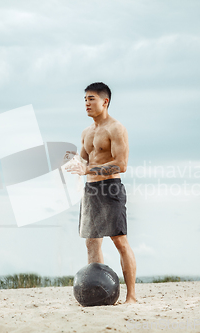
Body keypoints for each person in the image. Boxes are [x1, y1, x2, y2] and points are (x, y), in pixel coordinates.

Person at [65, 82, 137, 304]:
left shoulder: (116, 129)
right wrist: (71, 162)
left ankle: (131, 296)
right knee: (92, 242)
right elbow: (84, 161)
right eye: (85, 99)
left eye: (91, 99)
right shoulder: (86, 132)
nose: (87, 103)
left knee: (119, 241)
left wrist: (87, 168)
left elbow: (121, 164)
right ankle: (96, 293)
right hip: (91, 189)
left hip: (111, 187)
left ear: (105, 102)